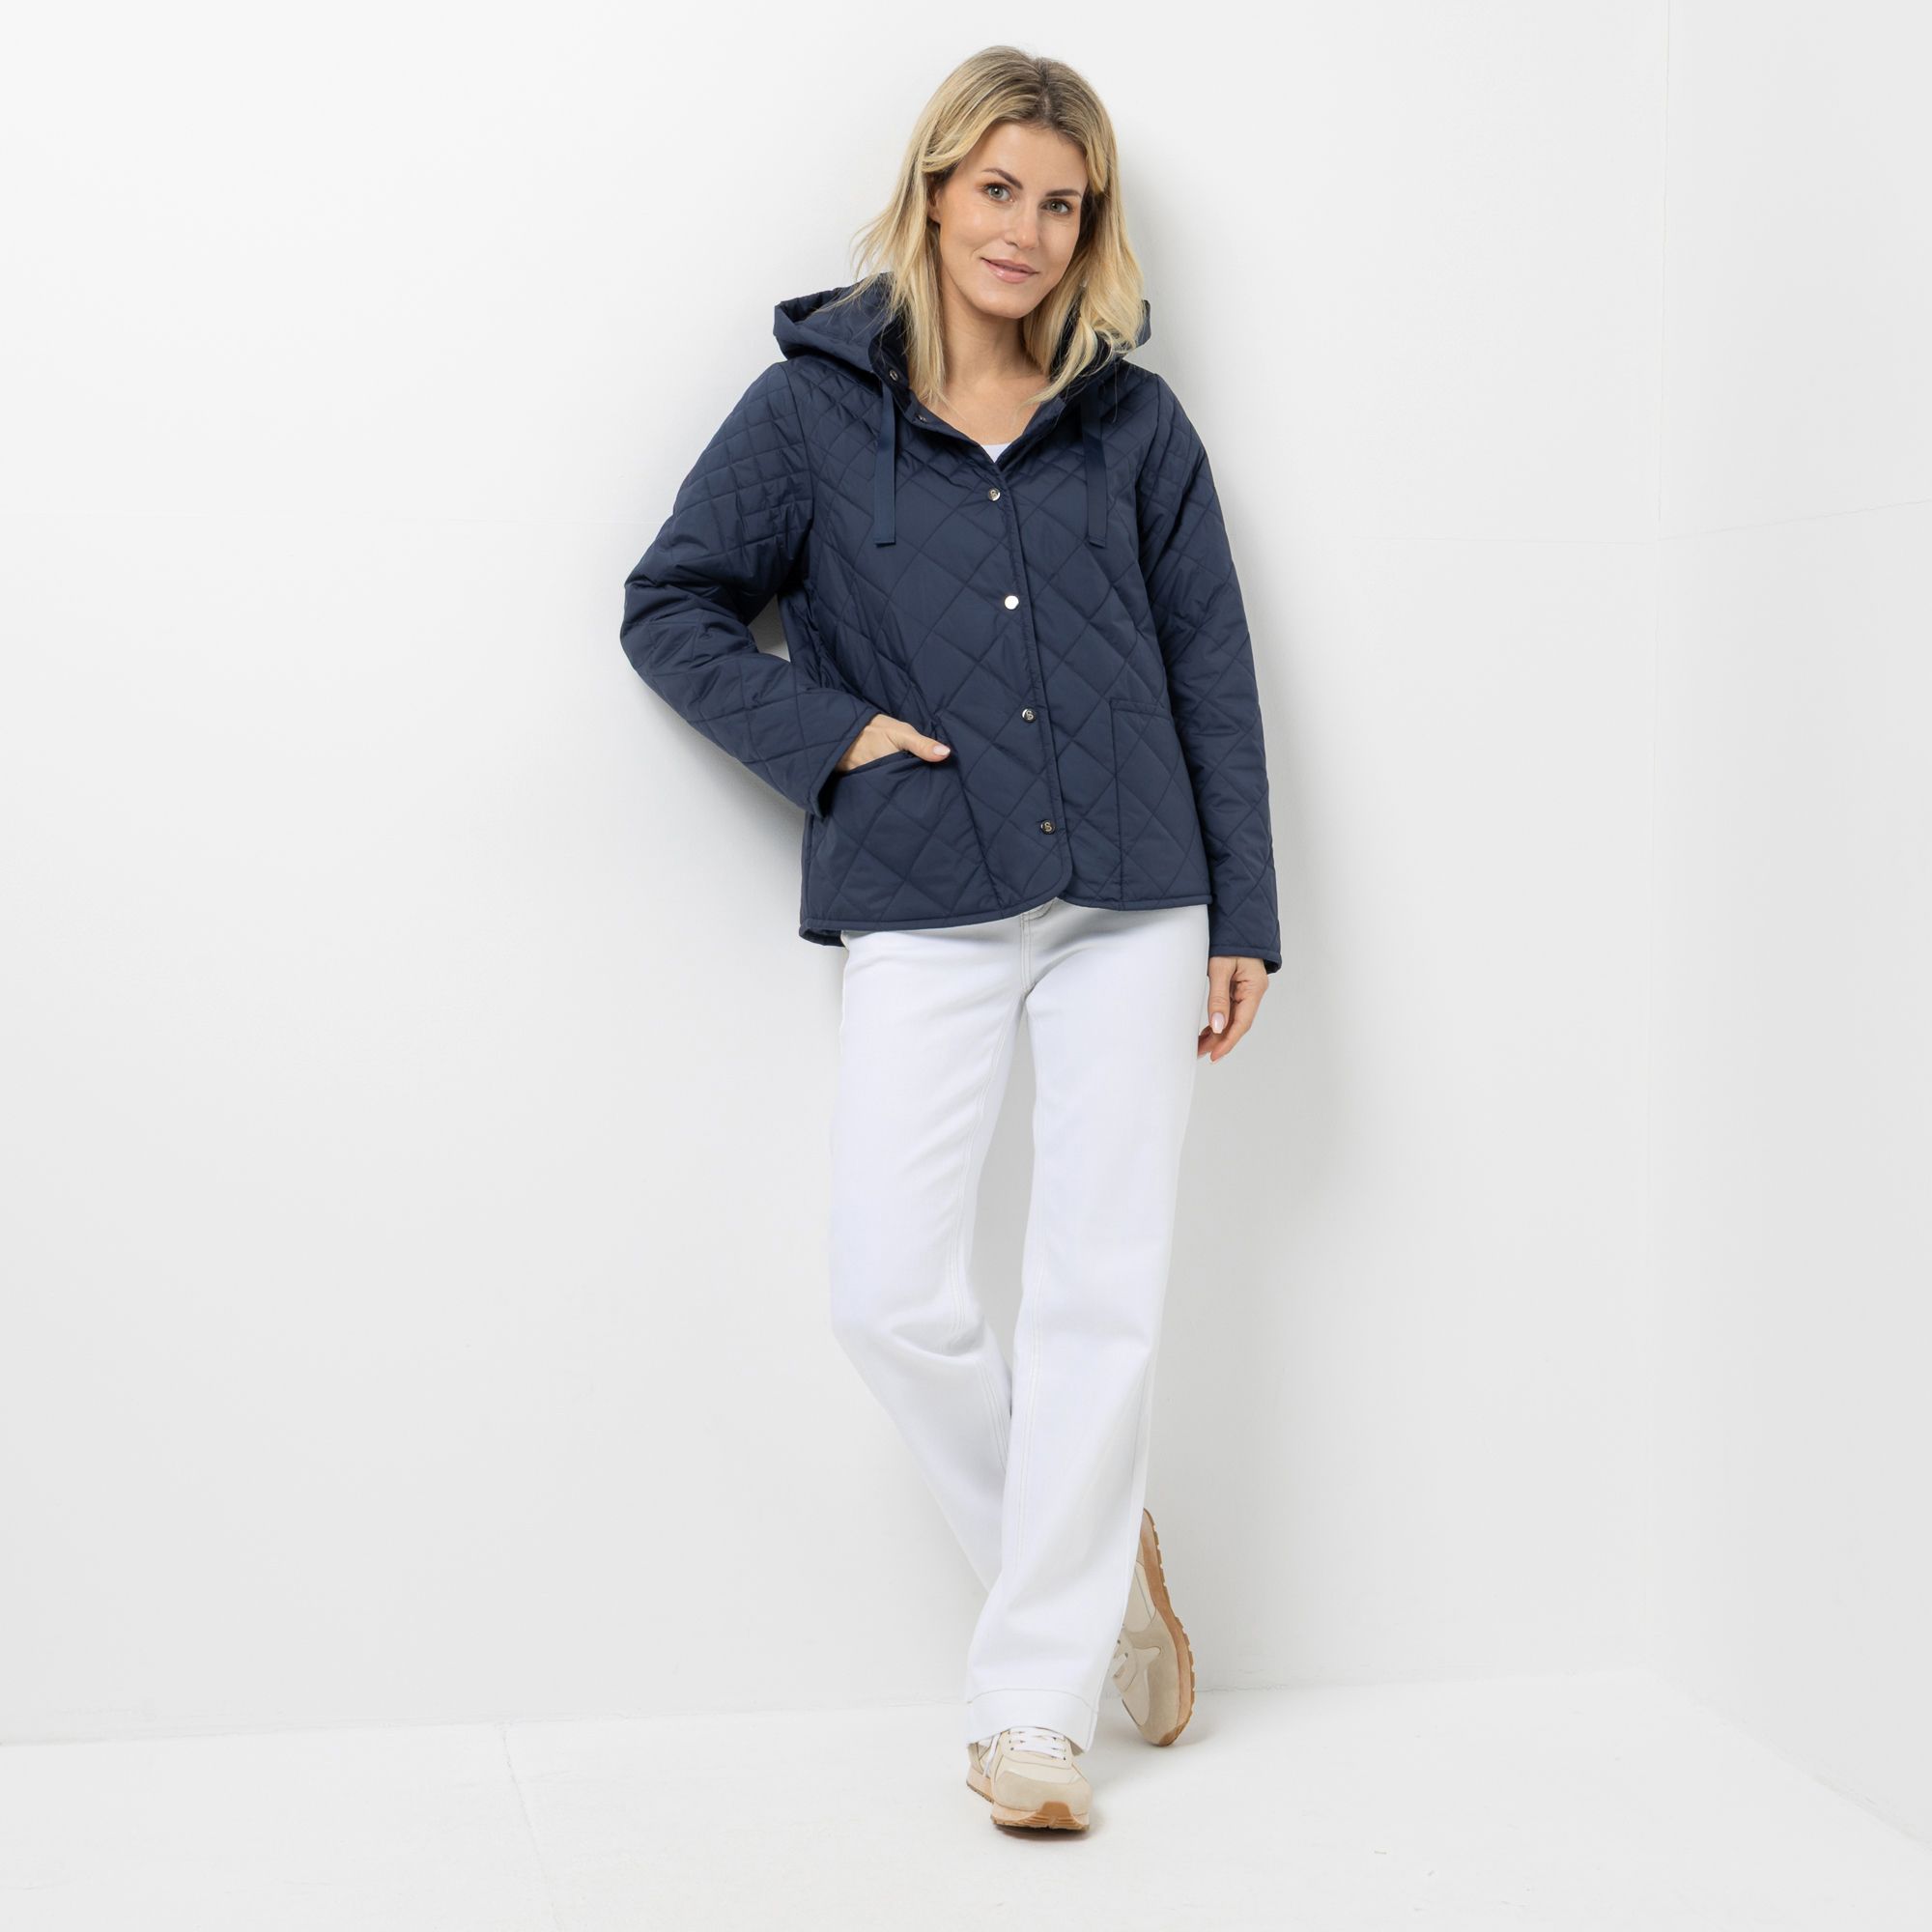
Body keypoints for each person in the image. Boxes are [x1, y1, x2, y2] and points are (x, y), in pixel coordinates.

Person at [619, 45, 1280, 1833]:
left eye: (1062, 203)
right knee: (890, 1294)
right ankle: (1090, 1572)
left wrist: (1245, 911)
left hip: (1138, 898)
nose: (1027, 231)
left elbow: (1212, 672)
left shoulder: (1135, 425)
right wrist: (832, 734)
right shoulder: (809, 412)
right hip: (924, 887)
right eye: (999, 189)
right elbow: (672, 606)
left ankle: (1029, 1719)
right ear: (932, 190)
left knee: (1095, 1293)